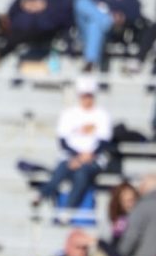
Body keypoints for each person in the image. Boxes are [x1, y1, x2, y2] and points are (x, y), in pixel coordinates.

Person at [33, 76, 111, 212]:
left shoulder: (102, 115)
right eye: (84, 96)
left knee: (82, 174)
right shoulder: (68, 114)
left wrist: (83, 158)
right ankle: (42, 194)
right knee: (60, 170)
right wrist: (77, 157)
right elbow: (63, 141)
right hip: (71, 157)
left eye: (89, 95)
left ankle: (68, 209)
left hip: (93, 159)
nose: (87, 99)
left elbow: (104, 142)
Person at [107, 181, 138, 250]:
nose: (131, 205)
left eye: (132, 200)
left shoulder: (140, 217)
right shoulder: (118, 220)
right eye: (126, 201)